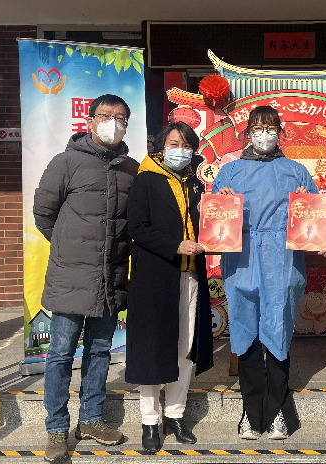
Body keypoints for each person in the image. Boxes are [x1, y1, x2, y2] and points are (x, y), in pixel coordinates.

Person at [34, 94, 139, 462]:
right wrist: (70, 248)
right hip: (70, 276)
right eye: (106, 116)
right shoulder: (65, 162)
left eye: (120, 118)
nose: (113, 123)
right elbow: (44, 214)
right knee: (61, 354)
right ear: (90, 120)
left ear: (127, 124)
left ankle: (91, 419)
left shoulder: (132, 169)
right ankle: (56, 429)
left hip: (111, 276)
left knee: (99, 351)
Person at [213, 106, 326, 441]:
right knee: (245, 330)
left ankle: (277, 409)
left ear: (280, 132)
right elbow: (214, 217)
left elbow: (313, 216)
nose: (264, 133)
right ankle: (251, 412)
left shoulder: (296, 171)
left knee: (278, 330)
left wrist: (312, 214)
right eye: (258, 127)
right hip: (242, 257)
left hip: (282, 259)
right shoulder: (230, 171)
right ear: (247, 132)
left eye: (270, 127)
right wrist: (221, 200)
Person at [125, 122, 214, 453]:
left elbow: (206, 223)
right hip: (155, 275)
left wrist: (219, 208)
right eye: (174, 143)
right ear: (161, 147)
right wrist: (176, 246)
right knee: (152, 347)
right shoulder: (145, 180)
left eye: (187, 144)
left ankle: (175, 415)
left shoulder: (195, 183)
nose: (181, 150)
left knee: (185, 347)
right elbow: (137, 228)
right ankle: (150, 421)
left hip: (191, 276)